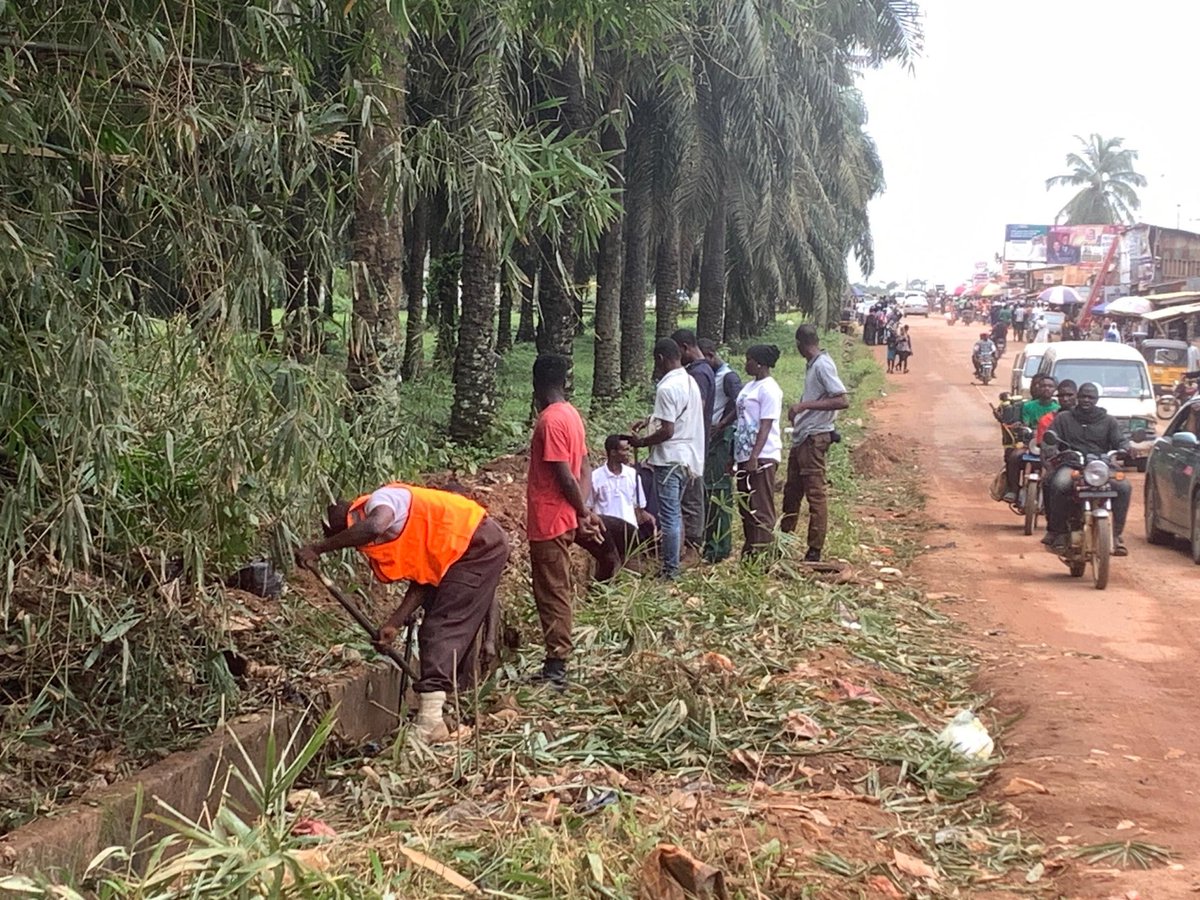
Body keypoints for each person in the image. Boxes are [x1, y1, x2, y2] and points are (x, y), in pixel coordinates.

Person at [295, 483, 509, 742]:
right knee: (440, 623)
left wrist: (318, 548)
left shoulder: (382, 501)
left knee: (442, 627)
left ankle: (430, 721)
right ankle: (439, 711)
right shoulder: (415, 528)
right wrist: (394, 624)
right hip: (472, 546)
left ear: (350, 519)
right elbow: (424, 579)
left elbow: (373, 527)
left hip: (478, 544)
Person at [526, 354, 604, 687]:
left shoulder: (550, 421)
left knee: (552, 590)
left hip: (549, 520)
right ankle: (555, 659)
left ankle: (556, 666)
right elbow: (584, 468)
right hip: (564, 518)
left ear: (536, 382)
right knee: (556, 586)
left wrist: (582, 511)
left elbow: (566, 477)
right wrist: (582, 510)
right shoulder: (571, 415)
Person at [629, 338, 705, 579]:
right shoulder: (690, 381)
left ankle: (670, 569)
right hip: (688, 459)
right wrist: (651, 418)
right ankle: (675, 560)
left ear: (660, 358)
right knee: (676, 512)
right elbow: (676, 416)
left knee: (669, 515)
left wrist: (642, 442)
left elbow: (668, 430)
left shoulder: (666, 387)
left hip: (670, 459)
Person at [1041, 383, 1131, 556]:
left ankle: (1117, 536)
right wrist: (1051, 448)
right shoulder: (1064, 418)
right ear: (1077, 398)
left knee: (1123, 487)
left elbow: (1120, 440)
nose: (1086, 400)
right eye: (1083, 396)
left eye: (1091, 397)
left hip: (1102, 468)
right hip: (1072, 464)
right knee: (1059, 484)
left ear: (1097, 399)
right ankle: (1057, 532)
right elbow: (1050, 439)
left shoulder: (1108, 421)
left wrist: (1126, 447)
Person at [782, 325, 849, 562]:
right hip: (803, 436)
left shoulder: (822, 365)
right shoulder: (813, 365)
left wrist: (805, 406)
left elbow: (841, 399)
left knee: (815, 495)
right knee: (792, 492)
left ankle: (814, 550)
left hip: (815, 438)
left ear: (800, 344)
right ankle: (784, 541)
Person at [734, 345, 784, 558]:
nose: (746, 364)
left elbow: (765, 425)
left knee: (761, 506)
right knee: (745, 506)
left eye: (749, 359)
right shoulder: (750, 387)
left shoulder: (769, 389)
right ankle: (751, 549)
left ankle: (764, 555)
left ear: (760, 363)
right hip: (744, 455)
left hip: (762, 456)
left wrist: (755, 456)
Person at [699, 338, 744, 563]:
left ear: (710, 354)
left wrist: (722, 425)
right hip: (712, 440)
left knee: (719, 492)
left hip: (722, 442)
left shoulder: (729, 377)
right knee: (709, 493)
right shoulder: (714, 376)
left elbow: (740, 404)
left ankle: (720, 547)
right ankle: (711, 543)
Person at [586, 435, 655, 578]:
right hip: (606, 532)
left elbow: (639, 506)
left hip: (629, 531)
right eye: (624, 450)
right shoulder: (595, 477)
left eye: (629, 450)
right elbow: (589, 506)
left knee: (630, 575)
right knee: (608, 568)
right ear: (612, 452)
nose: (628, 453)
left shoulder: (633, 475)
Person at [671, 329, 714, 556]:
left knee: (691, 496)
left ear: (685, 347)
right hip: (695, 442)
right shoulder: (701, 370)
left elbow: (695, 408)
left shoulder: (699, 375)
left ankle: (692, 545)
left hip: (692, 443)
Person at [1002, 375, 1058, 502]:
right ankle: (1013, 490)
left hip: (1050, 445)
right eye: (1043, 386)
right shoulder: (1028, 406)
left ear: (1055, 389)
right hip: (1031, 444)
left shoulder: (1057, 409)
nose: (1046, 389)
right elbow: (1025, 423)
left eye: (1050, 386)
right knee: (1014, 457)